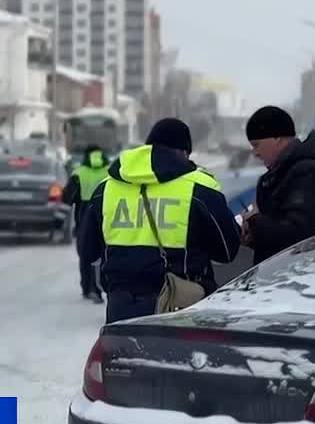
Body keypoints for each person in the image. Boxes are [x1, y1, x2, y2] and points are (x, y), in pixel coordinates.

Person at [77, 118, 241, 324]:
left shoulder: (107, 187)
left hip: (121, 307)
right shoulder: (199, 188)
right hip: (180, 306)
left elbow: (87, 251)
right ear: (184, 152)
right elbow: (226, 251)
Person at [240, 106, 315, 265]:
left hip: (298, 276)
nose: (255, 153)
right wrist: (253, 237)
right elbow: (278, 243)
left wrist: (254, 220)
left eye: (256, 145)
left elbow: (300, 236)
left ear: (277, 138)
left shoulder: (306, 173)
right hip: (282, 274)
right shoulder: (281, 173)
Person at [63, 144, 110, 303]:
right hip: (106, 220)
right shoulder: (110, 172)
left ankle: (88, 288)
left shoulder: (79, 174)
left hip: (84, 221)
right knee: (104, 254)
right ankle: (102, 286)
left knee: (86, 254)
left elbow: (67, 198)